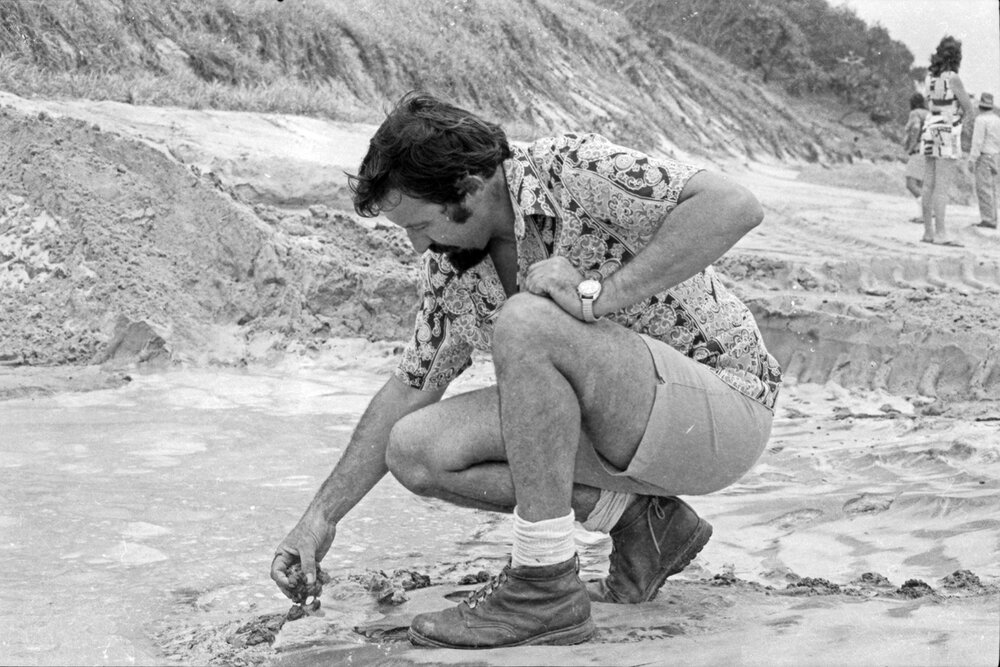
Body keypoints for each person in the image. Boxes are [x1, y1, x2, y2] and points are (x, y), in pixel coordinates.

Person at [270, 91, 781, 649]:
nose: (417, 244)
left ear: (467, 186)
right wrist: (320, 518)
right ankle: (640, 521)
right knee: (413, 447)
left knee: (526, 323)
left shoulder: (570, 169)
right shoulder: (451, 269)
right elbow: (411, 385)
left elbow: (734, 205)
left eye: (419, 223)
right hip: (627, 447)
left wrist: (598, 295)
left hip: (719, 410)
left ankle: (543, 585)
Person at [920, 36, 975, 246]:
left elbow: (930, 102)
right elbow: (969, 108)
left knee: (928, 184)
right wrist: (957, 120)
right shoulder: (953, 78)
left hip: (930, 124)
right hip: (947, 127)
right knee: (941, 187)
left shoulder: (929, 78)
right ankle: (941, 233)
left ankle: (928, 232)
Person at [968, 92, 1000, 229]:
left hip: (984, 156)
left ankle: (988, 219)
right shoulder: (997, 119)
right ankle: (993, 217)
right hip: (995, 156)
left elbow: (978, 141)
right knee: (992, 188)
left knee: (983, 188)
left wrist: (972, 159)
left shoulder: (981, 120)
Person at [903, 92, 929, 222]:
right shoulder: (929, 114)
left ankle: (927, 212)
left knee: (911, 183)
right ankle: (924, 214)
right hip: (929, 151)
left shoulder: (915, 113)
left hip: (918, 150)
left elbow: (915, 129)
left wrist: (911, 146)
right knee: (922, 184)